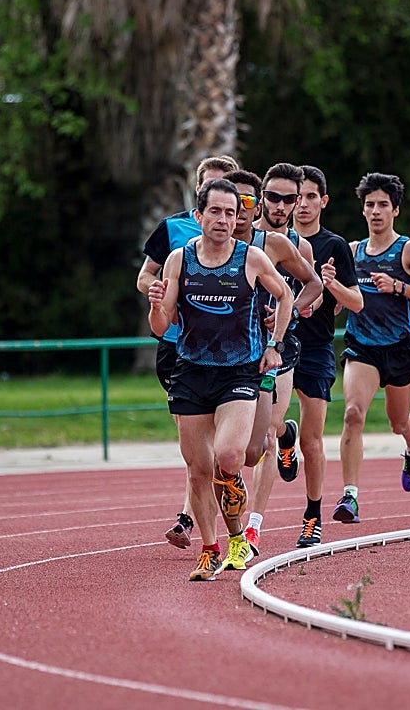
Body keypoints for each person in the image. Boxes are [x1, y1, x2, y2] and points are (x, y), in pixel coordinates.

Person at [147, 177, 293, 581]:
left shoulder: (251, 259)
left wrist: (275, 343)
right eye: (216, 211)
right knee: (197, 468)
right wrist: (156, 305)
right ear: (199, 216)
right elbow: (162, 327)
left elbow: (284, 296)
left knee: (229, 456)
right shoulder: (180, 260)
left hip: (239, 371)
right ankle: (213, 548)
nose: (224, 219)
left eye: (231, 212)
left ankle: (235, 538)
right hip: (191, 370)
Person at [136, 154, 239, 550]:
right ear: (200, 192)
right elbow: (145, 276)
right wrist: (161, 293)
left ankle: (189, 516)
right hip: (177, 345)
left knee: (216, 440)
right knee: (196, 438)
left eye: (229, 191)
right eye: (212, 188)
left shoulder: (240, 237)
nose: (223, 211)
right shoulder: (172, 230)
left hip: (229, 352)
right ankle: (200, 516)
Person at [332, 172, 410, 524]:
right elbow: (341, 302)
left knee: (400, 423)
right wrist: (331, 291)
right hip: (362, 347)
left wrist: (398, 287)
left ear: (395, 210)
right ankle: (350, 496)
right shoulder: (351, 251)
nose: (376, 211)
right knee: (353, 414)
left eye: (383, 205)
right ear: (362, 210)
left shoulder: (409, 249)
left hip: (400, 348)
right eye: (370, 205)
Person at [223, 167, 322, 562]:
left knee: (263, 441)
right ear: (260, 197)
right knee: (244, 449)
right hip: (233, 354)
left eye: (289, 199)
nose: (280, 206)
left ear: (299, 202)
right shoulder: (226, 233)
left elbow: (313, 286)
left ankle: (253, 526)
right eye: (273, 198)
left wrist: (289, 313)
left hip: (278, 350)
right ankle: (285, 437)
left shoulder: (285, 245)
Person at [290, 165, 363, 546]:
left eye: (310, 197)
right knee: (266, 435)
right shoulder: (270, 243)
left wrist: (332, 285)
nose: (301, 204)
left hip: (316, 348)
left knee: (312, 438)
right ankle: (283, 439)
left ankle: (312, 516)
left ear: (324, 201)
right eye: (295, 197)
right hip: (274, 344)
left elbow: (357, 302)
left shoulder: (334, 246)